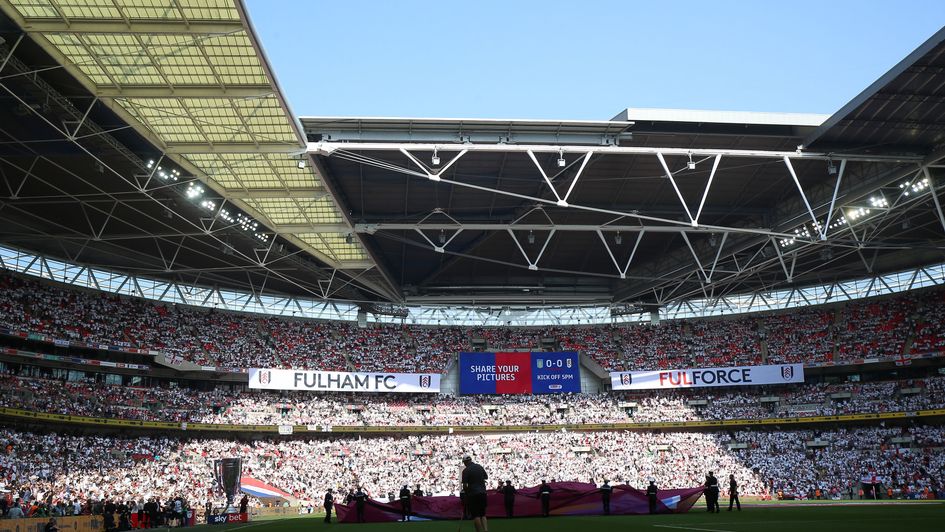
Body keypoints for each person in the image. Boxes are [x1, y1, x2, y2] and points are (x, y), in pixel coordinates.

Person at [461, 456, 489, 532]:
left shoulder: (466, 470)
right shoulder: (479, 467)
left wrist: (466, 492)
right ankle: (485, 530)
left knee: (476, 515)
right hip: (482, 493)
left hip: (473, 494)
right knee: (482, 514)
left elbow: (464, 485)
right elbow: (486, 477)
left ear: (465, 462)